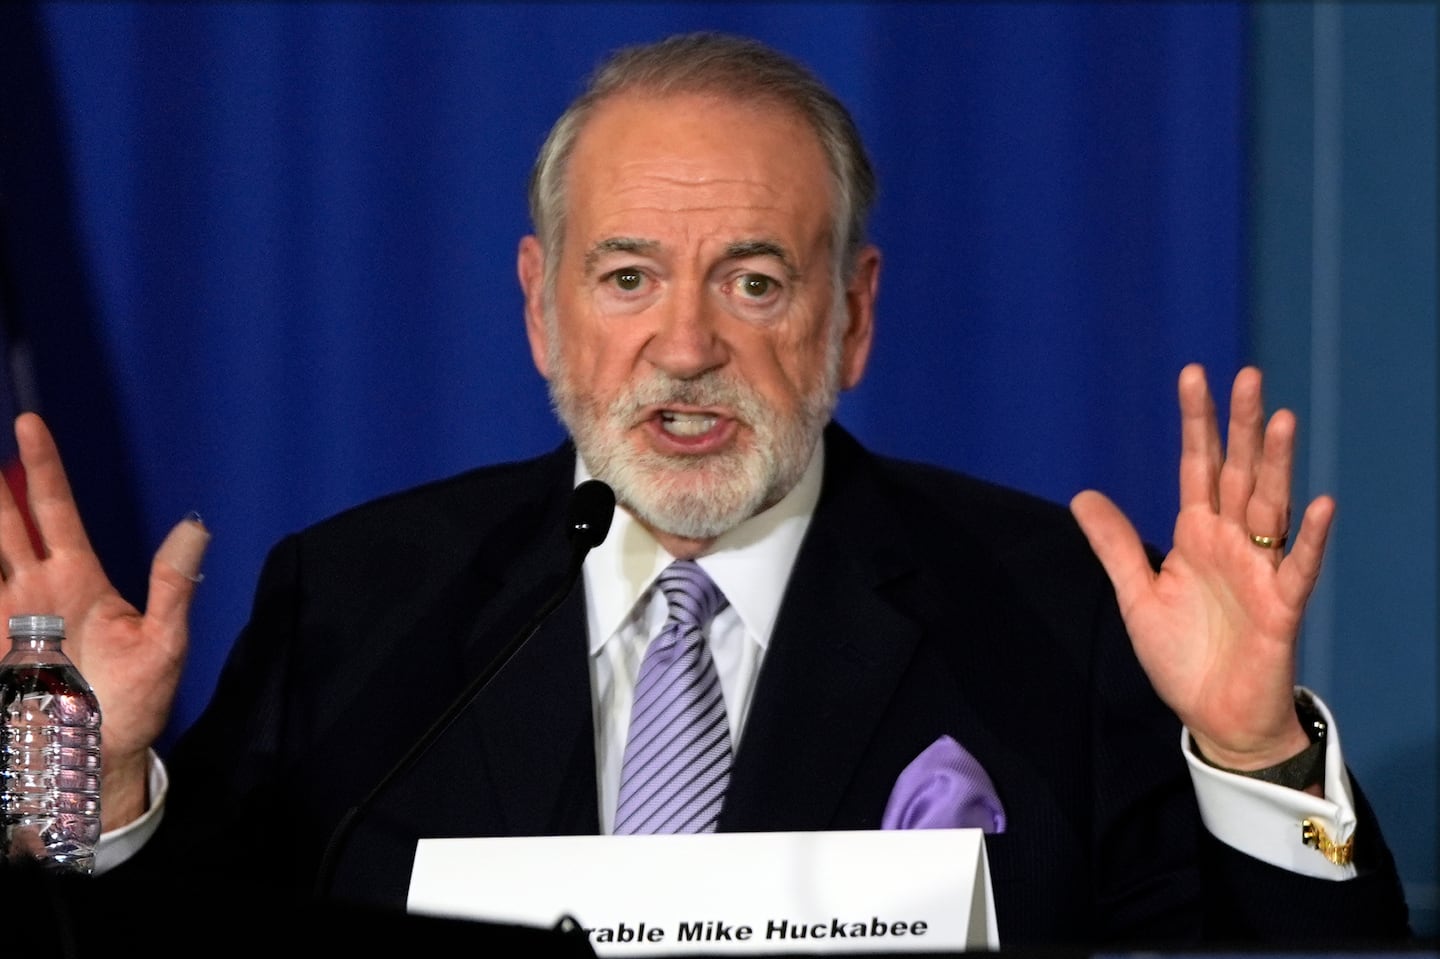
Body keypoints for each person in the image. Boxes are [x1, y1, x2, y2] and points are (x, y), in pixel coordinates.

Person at [0, 31, 1411, 947]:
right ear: (542, 310)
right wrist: (80, 776)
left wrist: (1252, 753)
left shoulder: (1052, 604)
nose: (685, 346)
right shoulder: (361, 601)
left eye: (754, 280)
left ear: (852, 318)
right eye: (627, 277)